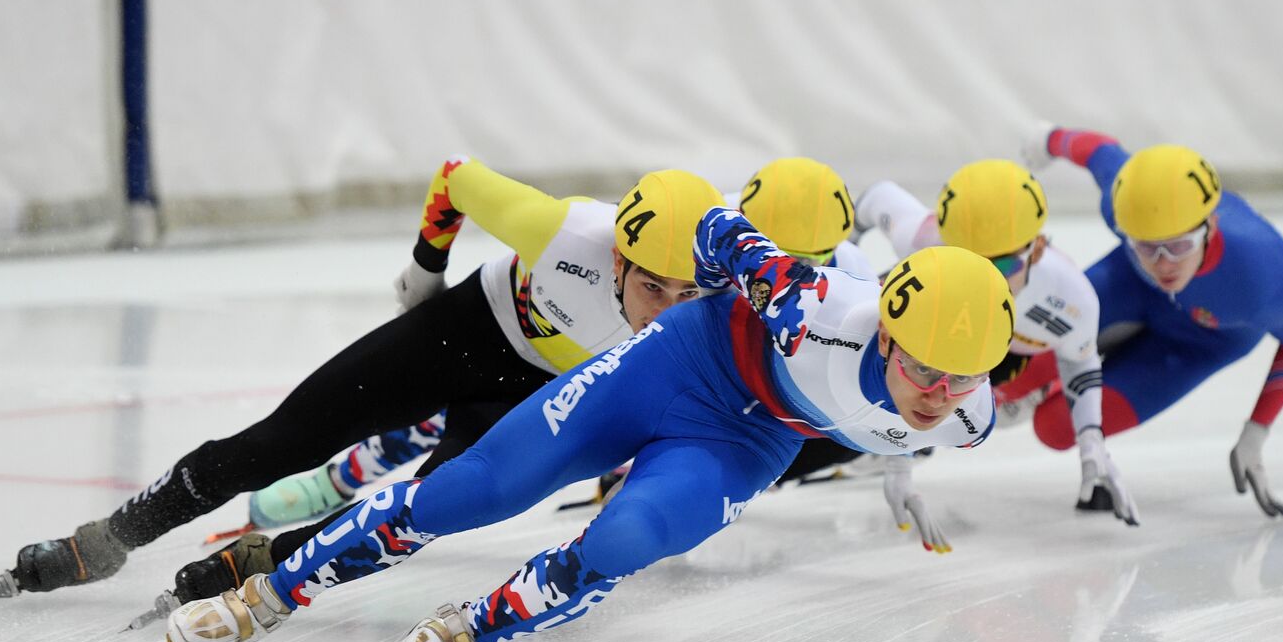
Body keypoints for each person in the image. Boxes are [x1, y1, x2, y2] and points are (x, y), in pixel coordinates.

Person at [144, 209, 1015, 642]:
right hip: (683, 361)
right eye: (921, 368)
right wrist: (710, 280)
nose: (936, 391)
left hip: (748, 437)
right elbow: (717, 228)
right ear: (888, 333)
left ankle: (479, 625)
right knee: (473, 490)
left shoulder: (969, 418)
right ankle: (268, 595)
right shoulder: (813, 301)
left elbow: (914, 430)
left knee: (626, 536)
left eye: (958, 379)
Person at [0, 161, 723, 600]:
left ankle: (261, 561)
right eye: (654, 288)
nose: (669, 310)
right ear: (618, 261)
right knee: (281, 442)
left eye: (688, 296)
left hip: (527, 395)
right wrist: (425, 270)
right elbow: (457, 177)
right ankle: (108, 538)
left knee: (424, 511)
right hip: (468, 328)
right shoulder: (564, 232)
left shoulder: (709, 304)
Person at [246, 155, 879, 527]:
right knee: (439, 402)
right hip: (570, 327)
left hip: (614, 356)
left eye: (812, 262)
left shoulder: (844, 285)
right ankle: (348, 473)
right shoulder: (713, 241)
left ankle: (347, 488)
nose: (782, 284)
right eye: (774, 259)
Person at [1014, 127, 1283, 517]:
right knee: (1011, 370)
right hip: (1131, 286)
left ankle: (1054, 383)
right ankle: (1043, 380)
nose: (1163, 264)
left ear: (1209, 228)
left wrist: (1255, 432)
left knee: (1053, 428)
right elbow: (1099, 152)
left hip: (1199, 345)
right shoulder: (1126, 200)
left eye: (1178, 246)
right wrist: (1048, 139)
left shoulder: (1256, 277)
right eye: (1146, 246)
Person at [852, 159, 1137, 523]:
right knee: (875, 314)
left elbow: (1079, 362)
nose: (981, 280)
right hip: (941, 321)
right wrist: (845, 262)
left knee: (988, 410)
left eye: (1001, 268)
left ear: (1037, 250)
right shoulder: (924, 238)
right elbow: (877, 198)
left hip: (1008, 351)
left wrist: (1091, 439)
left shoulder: (1071, 298)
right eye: (966, 260)